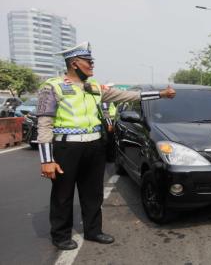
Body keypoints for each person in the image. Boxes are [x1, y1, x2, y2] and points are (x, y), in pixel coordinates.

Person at [36, 42, 176, 250]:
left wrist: (161, 94)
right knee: (62, 194)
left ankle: (93, 231)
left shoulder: (94, 87)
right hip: (67, 149)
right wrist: (47, 160)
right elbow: (44, 124)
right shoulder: (52, 87)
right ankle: (61, 235)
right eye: (88, 62)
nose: (92, 65)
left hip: (94, 147)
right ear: (74, 63)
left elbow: (127, 96)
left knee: (93, 192)